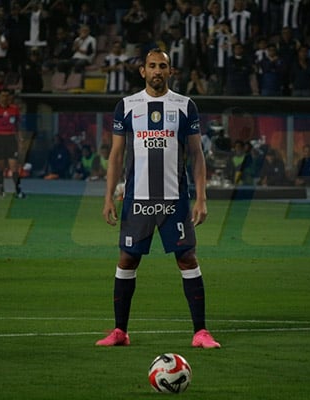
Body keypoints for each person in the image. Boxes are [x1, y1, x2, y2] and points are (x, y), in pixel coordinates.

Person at [96, 48, 220, 349]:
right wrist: (108, 197)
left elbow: (197, 155)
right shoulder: (126, 106)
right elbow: (116, 155)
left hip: (174, 199)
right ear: (143, 71)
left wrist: (201, 198)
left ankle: (201, 332)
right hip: (136, 199)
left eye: (162, 66)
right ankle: (120, 331)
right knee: (127, 259)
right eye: (152, 66)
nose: (157, 71)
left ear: (170, 71)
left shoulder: (185, 105)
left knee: (187, 258)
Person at [0, 88, 25, 198]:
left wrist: (20, 140)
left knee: (14, 166)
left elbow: (18, 127)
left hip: (11, 138)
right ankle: (1, 190)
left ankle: (18, 190)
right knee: (0, 167)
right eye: (3, 96)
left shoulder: (14, 109)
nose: (5, 98)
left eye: (7, 96)